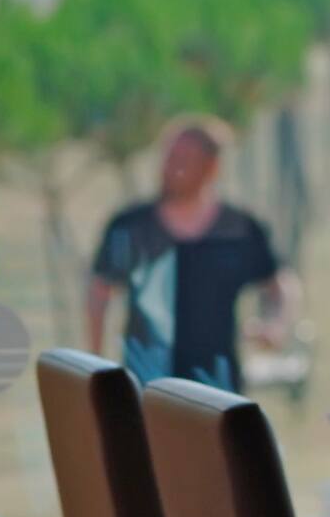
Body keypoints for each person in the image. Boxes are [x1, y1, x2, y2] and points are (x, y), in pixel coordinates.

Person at [85, 116, 301, 391]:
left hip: (218, 390)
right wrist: (96, 365)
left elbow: (280, 284)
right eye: (168, 158)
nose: (170, 169)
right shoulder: (131, 228)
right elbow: (99, 291)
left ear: (212, 167)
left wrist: (275, 324)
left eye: (183, 161)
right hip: (146, 389)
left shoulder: (239, 229)